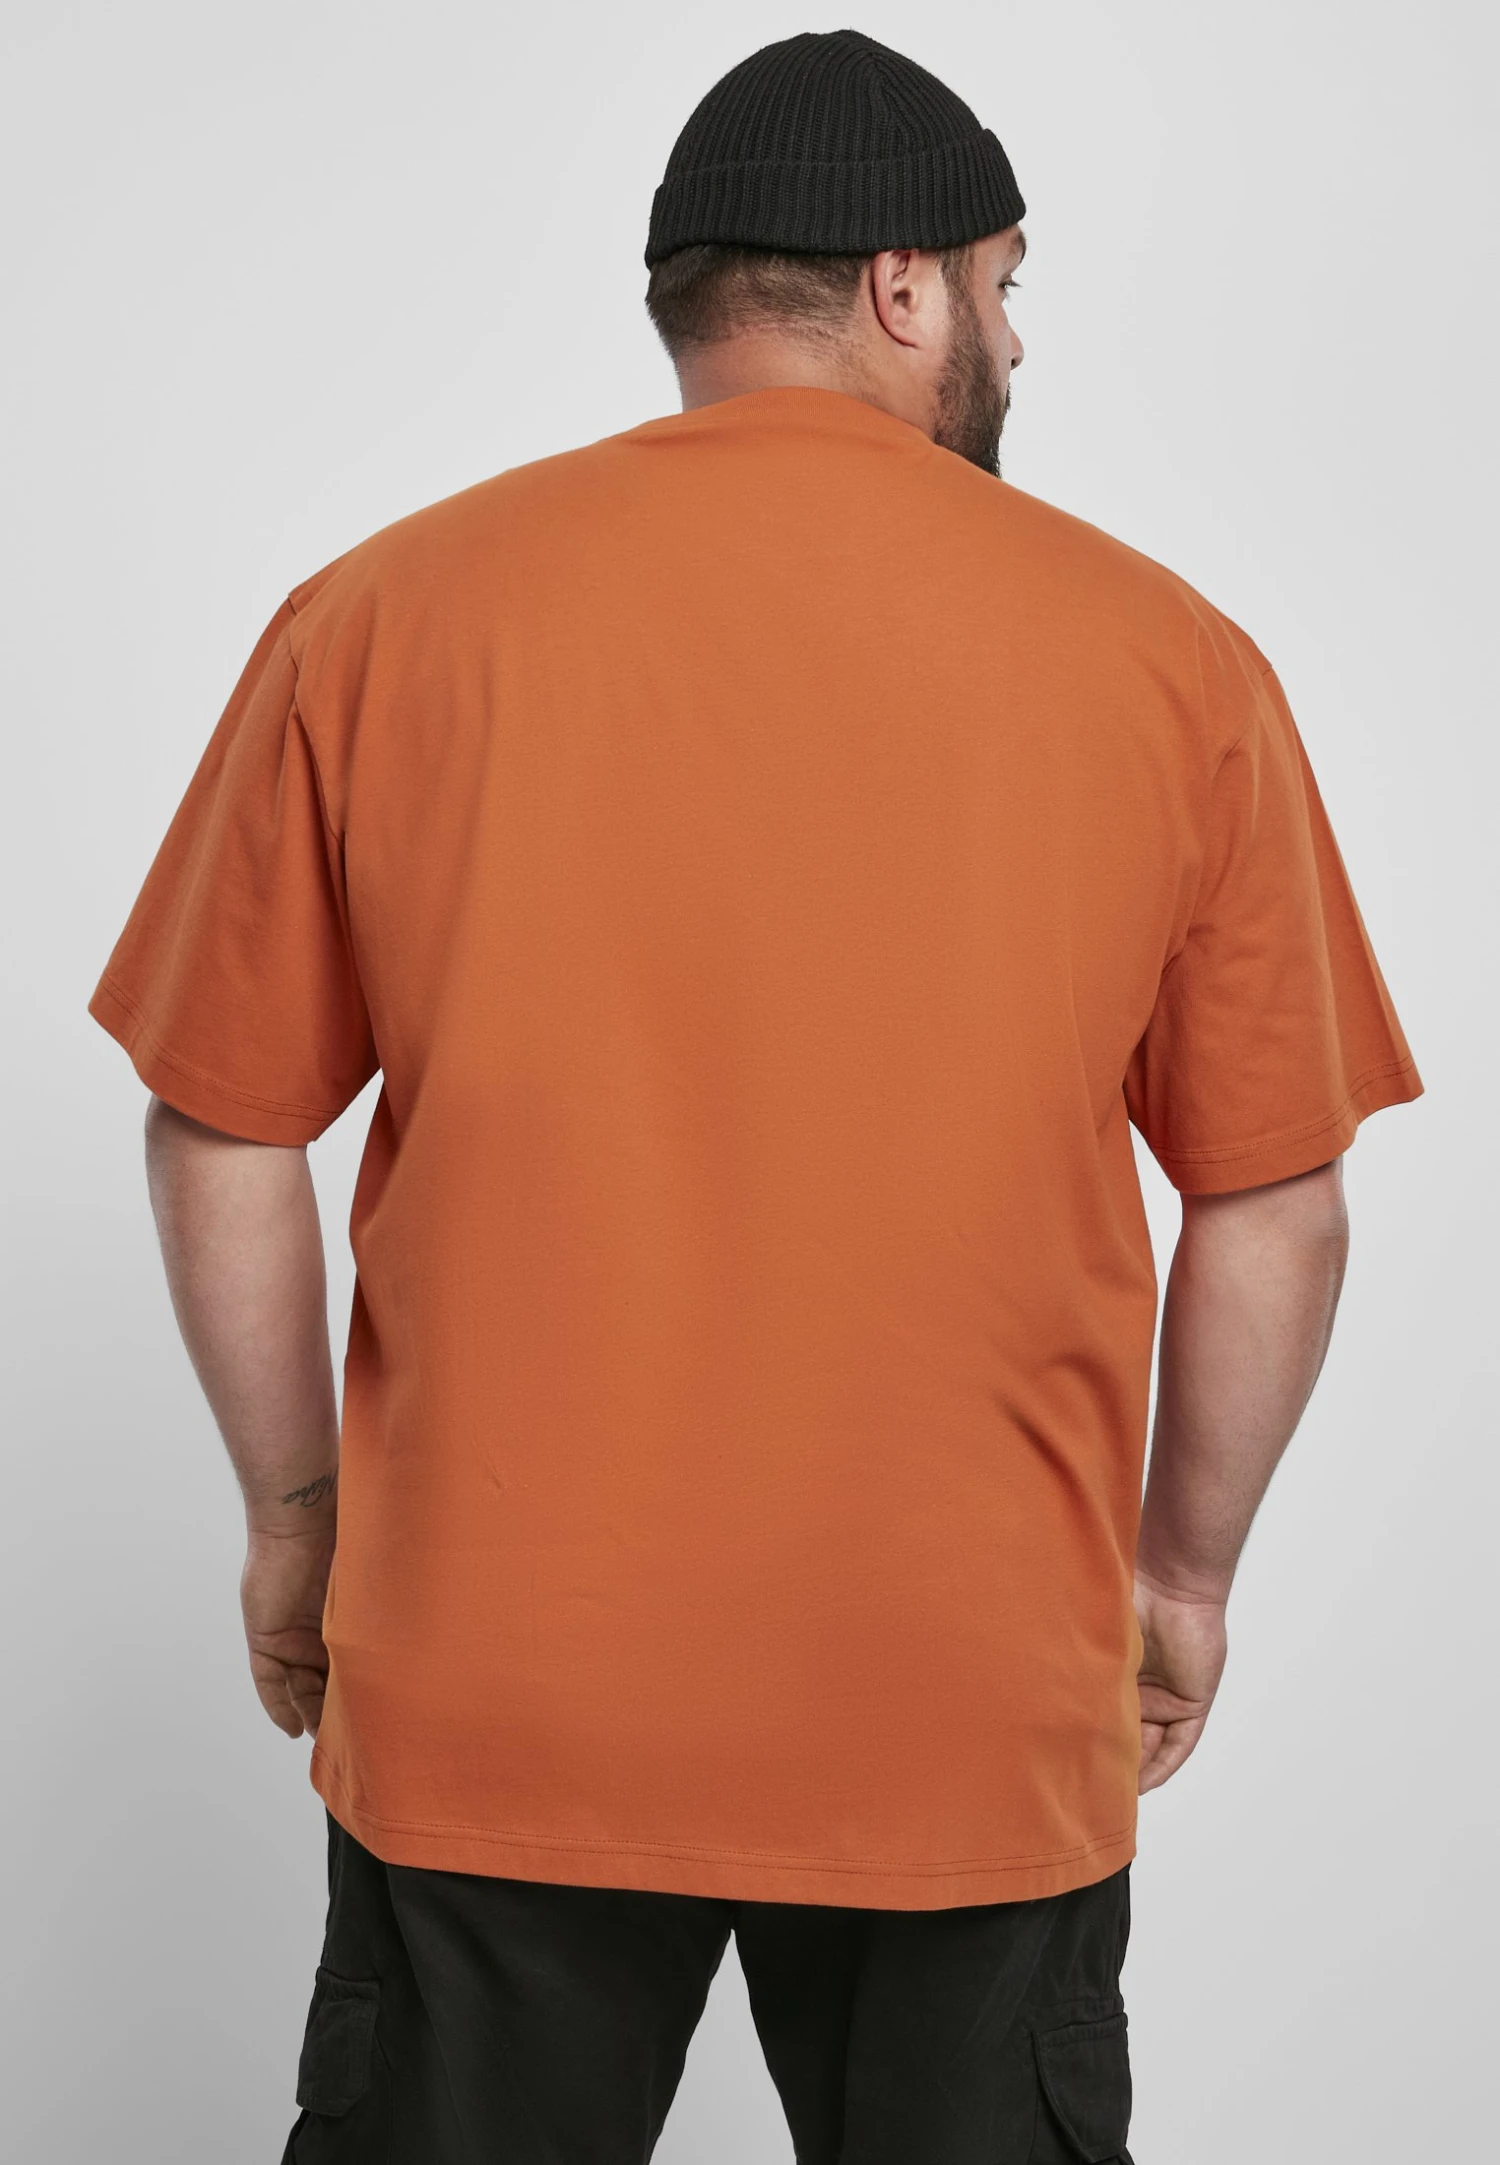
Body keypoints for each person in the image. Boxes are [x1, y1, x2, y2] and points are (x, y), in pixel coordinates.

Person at [88, 27, 1423, 2165]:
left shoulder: (383, 618)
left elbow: (224, 1120)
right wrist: (1178, 1577)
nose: (1013, 336)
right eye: (1003, 283)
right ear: (902, 286)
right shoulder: (1172, 664)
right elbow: (1277, 1197)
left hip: (499, 1685)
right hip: (967, 1694)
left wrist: (294, 1519)